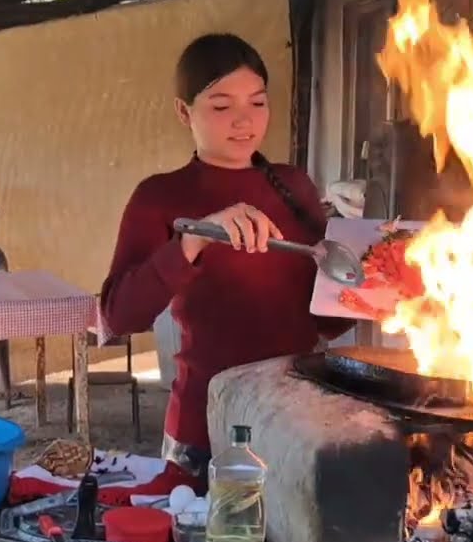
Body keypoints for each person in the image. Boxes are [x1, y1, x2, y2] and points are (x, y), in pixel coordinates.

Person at [100, 33, 354, 481]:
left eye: (257, 103)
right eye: (221, 106)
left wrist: (373, 287)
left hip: (295, 421)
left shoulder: (294, 186)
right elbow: (119, 316)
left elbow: (325, 321)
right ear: (185, 112)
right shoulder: (161, 196)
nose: (244, 121)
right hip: (206, 428)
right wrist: (193, 241)